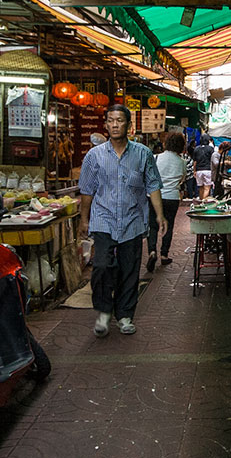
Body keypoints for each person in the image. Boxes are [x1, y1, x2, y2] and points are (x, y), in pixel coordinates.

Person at [79, 104, 165, 337]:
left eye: (120, 120)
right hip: (103, 219)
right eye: (111, 120)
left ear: (129, 124)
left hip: (133, 219)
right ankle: (104, 312)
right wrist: (84, 220)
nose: (115, 125)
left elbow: (153, 186)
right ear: (106, 124)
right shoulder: (93, 156)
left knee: (130, 268)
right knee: (102, 267)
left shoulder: (143, 154)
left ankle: (125, 315)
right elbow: (86, 190)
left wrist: (159, 214)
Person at [146, 132, 186, 270]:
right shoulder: (182, 162)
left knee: (153, 225)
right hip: (172, 197)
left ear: (166, 143)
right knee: (168, 226)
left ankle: (152, 251)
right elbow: (182, 179)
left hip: (154, 195)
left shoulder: (156, 158)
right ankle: (164, 255)